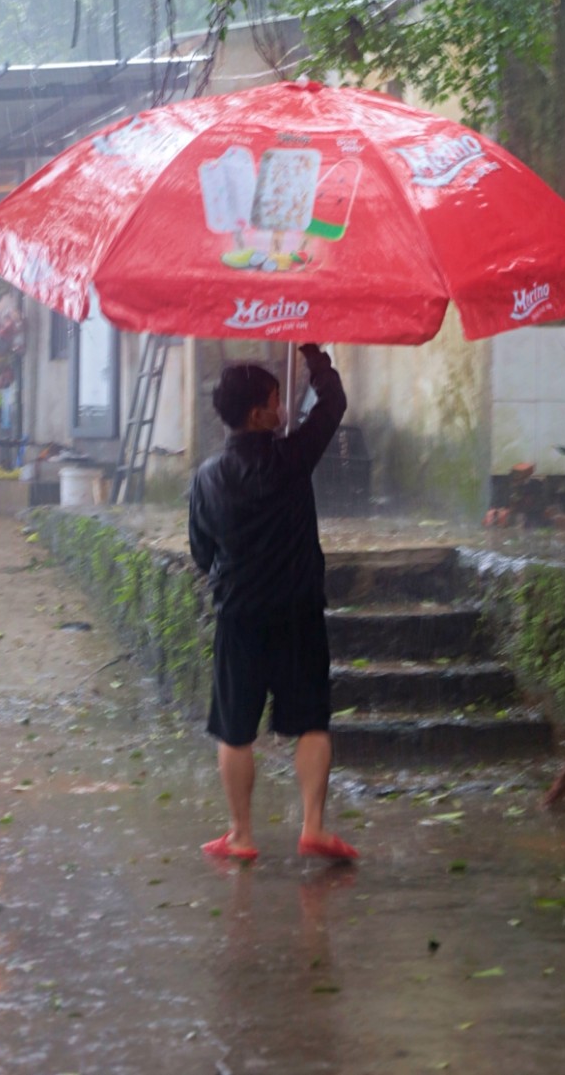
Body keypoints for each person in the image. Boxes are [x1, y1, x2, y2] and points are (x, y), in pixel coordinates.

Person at [188, 343, 358, 864]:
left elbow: (201, 552)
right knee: (311, 722)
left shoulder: (207, 477)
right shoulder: (294, 456)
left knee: (235, 729)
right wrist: (315, 355)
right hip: (298, 612)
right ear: (259, 412)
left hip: (239, 615)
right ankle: (313, 827)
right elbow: (333, 404)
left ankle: (240, 836)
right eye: (277, 400)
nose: (284, 408)